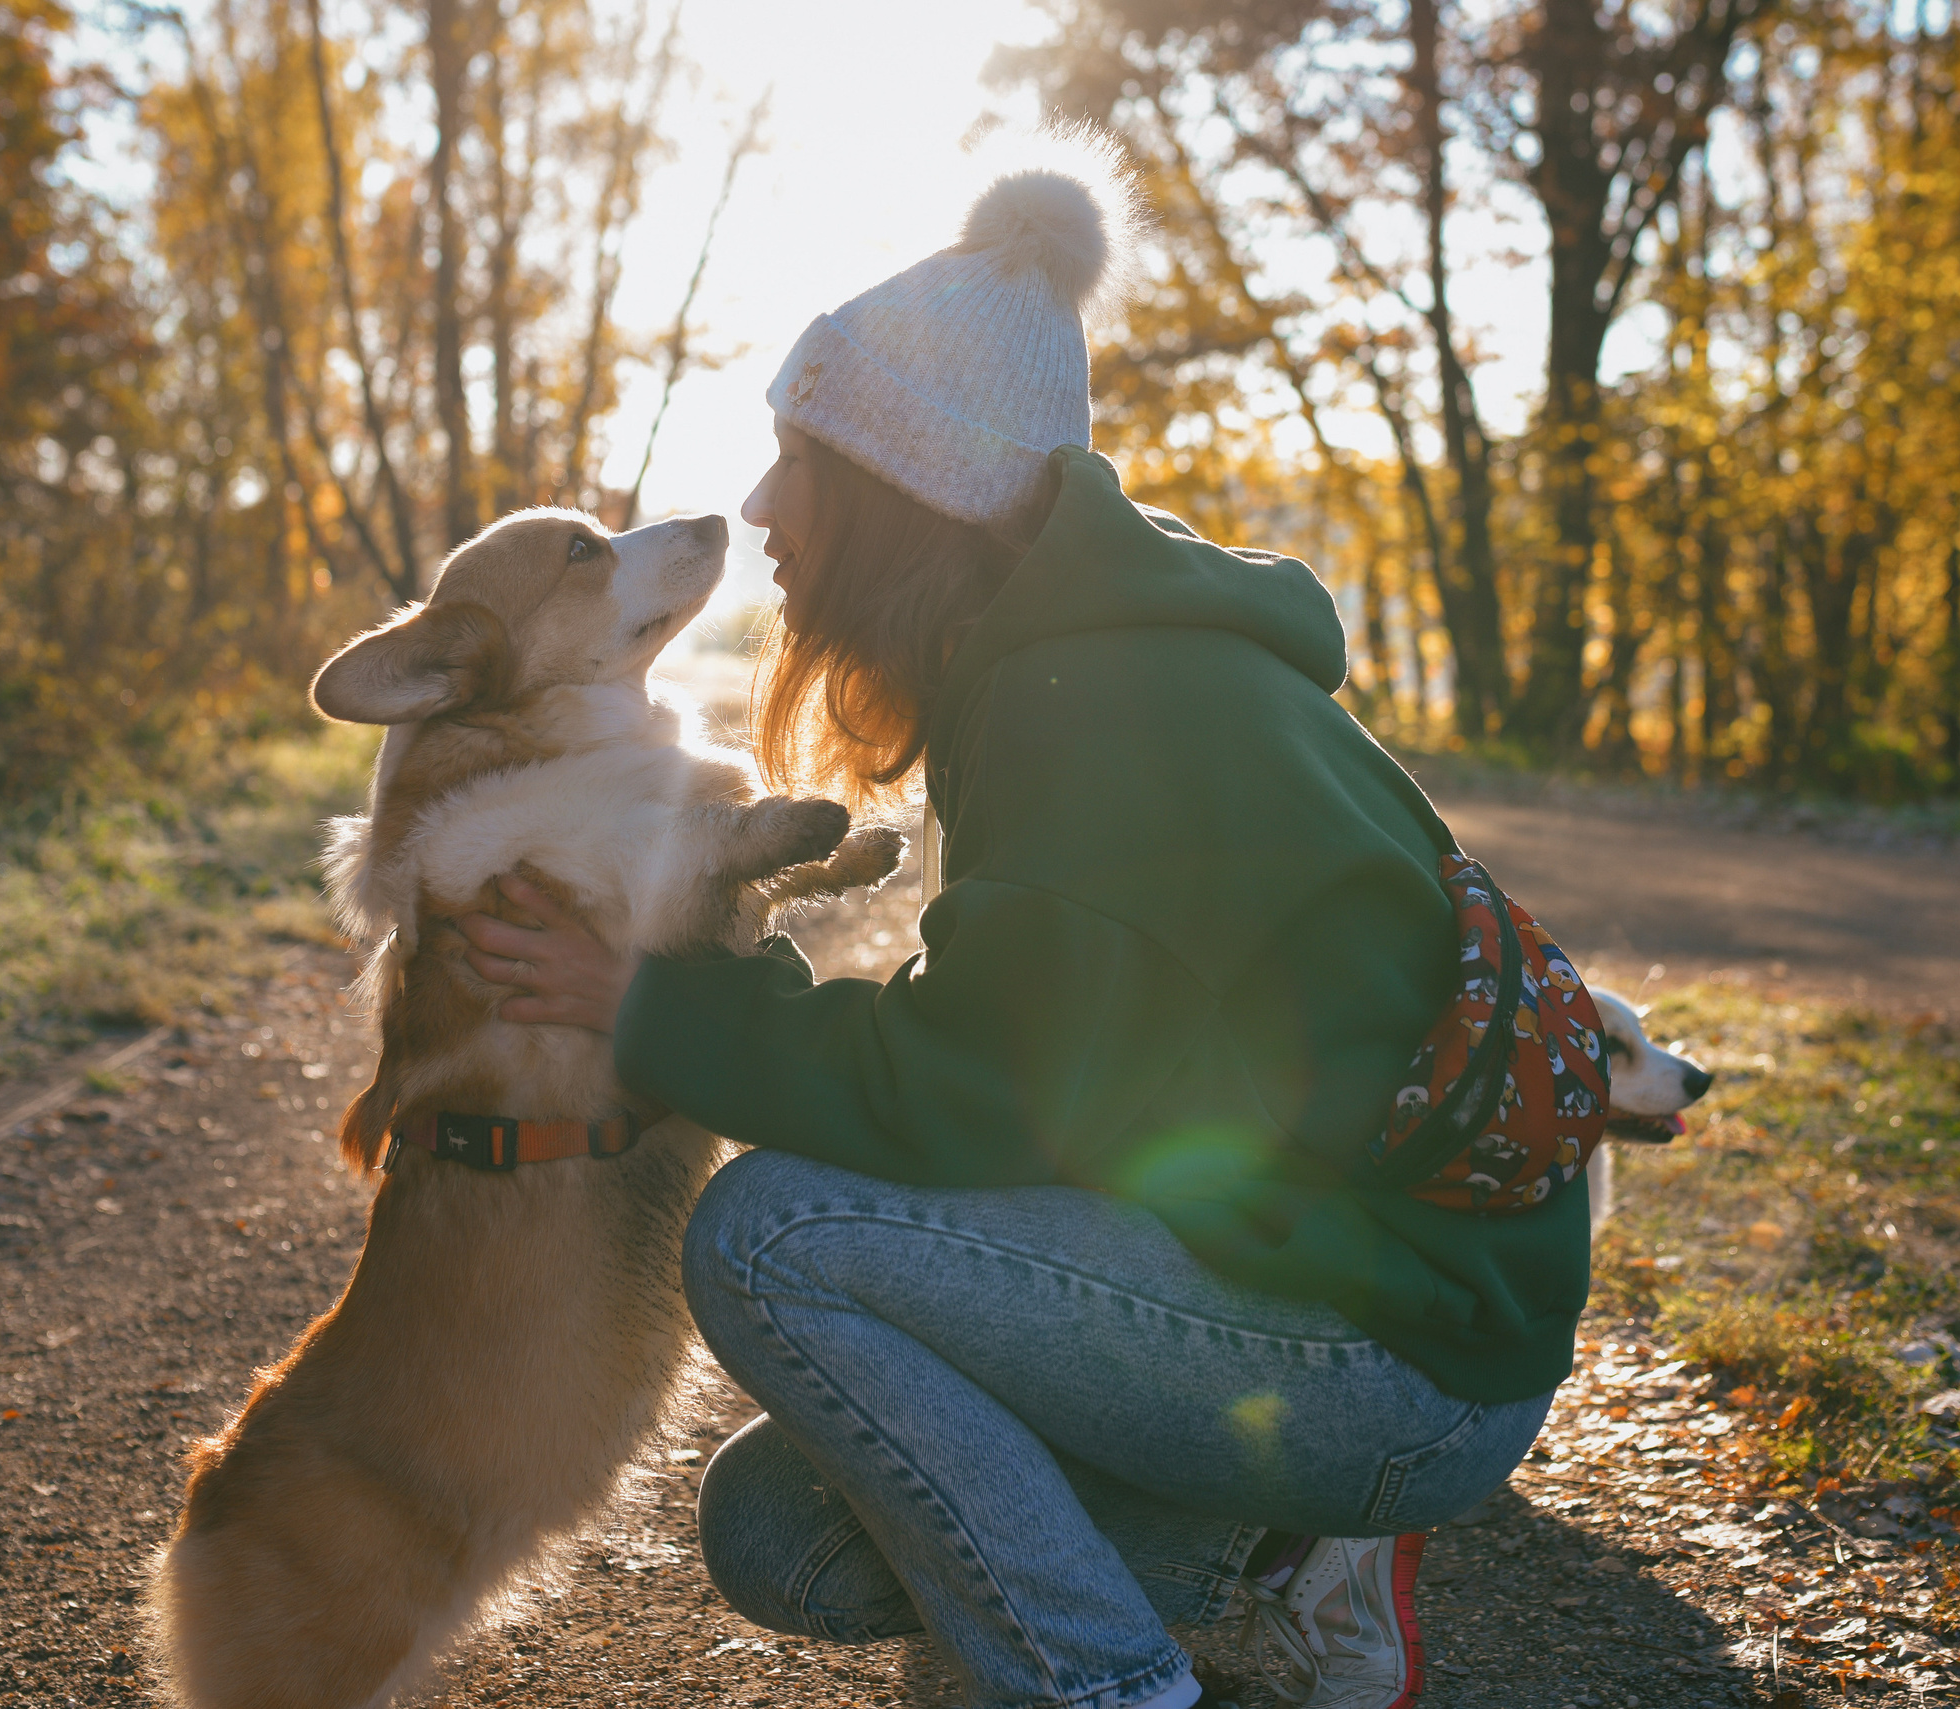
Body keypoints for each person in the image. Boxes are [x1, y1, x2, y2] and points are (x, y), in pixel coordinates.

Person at [457, 131, 1587, 1709]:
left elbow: (962, 1097)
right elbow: (1032, 1078)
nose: (766, 503)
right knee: (777, 1528)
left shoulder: (1098, 703)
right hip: (1331, 1285)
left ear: (916, 494)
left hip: (1400, 1354)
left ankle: (1112, 1683)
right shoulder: (1066, 658)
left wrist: (645, 1008)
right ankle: (1280, 1573)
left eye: (808, 459)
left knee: (771, 1235)